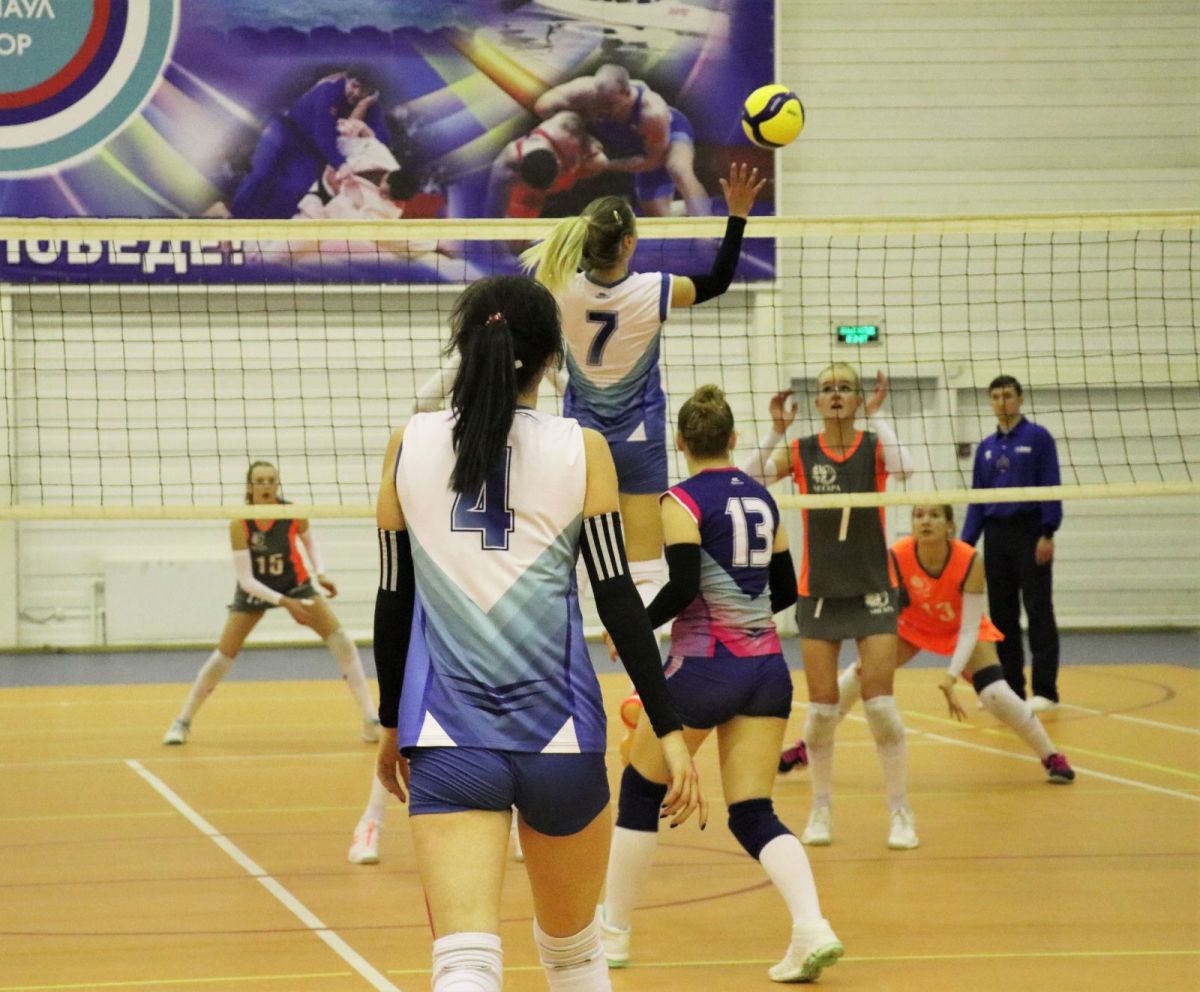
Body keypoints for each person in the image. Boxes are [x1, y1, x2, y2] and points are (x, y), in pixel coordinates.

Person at [371, 276, 704, 992]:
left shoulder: (409, 444)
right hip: (562, 739)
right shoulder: (584, 448)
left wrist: (390, 722)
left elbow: (393, 599)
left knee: (465, 961)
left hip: (448, 737)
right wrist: (669, 728)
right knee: (575, 957)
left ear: (465, 350)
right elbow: (616, 595)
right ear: (554, 358)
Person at [598, 385, 843, 983]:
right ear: (733, 438)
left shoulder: (679, 500)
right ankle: (812, 928)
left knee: (640, 792)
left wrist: (638, 625)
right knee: (753, 810)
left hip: (705, 668)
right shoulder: (763, 499)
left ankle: (613, 935)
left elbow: (683, 586)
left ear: (680, 442)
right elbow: (783, 590)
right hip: (766, 670)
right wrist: (744, 615)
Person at [519, 162, 765, 614]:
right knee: (647, 569)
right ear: (629, 242)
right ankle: (635, 654)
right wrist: (737, 216)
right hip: (639, 440)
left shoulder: (558, 290)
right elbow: (719, 281)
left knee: (572, 567)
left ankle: (557, 649)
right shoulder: (655, 291)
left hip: (582, 443)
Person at [741, 366, 919, 849]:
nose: (835, 394)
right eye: (826, 389)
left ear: (859, 400)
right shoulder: (802, 450)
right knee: (821, 712)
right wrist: (776, 430)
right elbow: (750, 478)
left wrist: (878, 417)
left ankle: (900, 812)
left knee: (881, 707)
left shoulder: (874, 446)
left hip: (873, 587)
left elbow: (906, 469)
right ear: (816, 403)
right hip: (819, 590)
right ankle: (820, 810)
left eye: (845, 388)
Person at [803, 505, 1075, 784]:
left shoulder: (970, 560)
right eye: (918, 516)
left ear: (949, 526)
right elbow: (881, 609)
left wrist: (951, 676)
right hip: (914, 627)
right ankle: (808, 745)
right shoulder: (896, 556)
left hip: (961, 629)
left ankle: (1051, 756)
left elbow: (969, 629)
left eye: (934, 516)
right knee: (862, 673)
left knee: (995, 694)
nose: (926, 521)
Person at [162, 461, 380, 746]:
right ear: (249, 486)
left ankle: (370, 719)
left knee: (341, 641)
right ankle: (183, 721)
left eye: (270, 480)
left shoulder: (291, 512)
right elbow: (246, 580)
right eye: (260, 481)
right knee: (222, 657)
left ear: (277, 484)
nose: (266, 485)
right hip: (256, 589)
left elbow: (310, 544)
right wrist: (285, 603)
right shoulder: (240, 523)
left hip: (294, 583)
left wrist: (321, 574)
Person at [960, 375, 1063, 712]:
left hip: (1030, 532)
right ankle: (1012, 691)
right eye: (995, 397)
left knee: (1038, 610)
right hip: (996, 535)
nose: (1001, 402)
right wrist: (965, 544)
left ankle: (1045, 691)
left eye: (1007, 396)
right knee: (1002, 617)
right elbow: (978, 500)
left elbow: (1051, 485)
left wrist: (1048, 532)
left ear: (1020, 399)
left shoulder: (1038, 438)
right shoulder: (986, 447)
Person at [534, 64, 711, 216]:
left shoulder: (651, 113)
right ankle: (700, 205)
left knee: (677, 168)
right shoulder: (583, 91)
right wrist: (579, 135)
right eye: (599, 102)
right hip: (636, 144)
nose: (604, 111)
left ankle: (707, 231)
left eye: (610, 105)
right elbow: (542, 106)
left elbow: (653, 161)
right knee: (658, 215)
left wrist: (605, 165)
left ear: (626, 93)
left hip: (670, 134)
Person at [230, 69, 388, 219]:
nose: (357, 93)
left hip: (311, 153)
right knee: (261, 175)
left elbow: (382, 140)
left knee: (294, 192)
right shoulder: (330, 90)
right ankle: (234, 218)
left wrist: (363, 113)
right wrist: (340, 164)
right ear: (347, 79)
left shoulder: (370, 107)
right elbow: (323, 134)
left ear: (371, 92)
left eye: (363, 90)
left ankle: (262, 229)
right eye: (354, 86)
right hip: (286, 132)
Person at [484, 111, 609, 219]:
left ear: (557, 160)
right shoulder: (505, 167)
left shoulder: (562, 126)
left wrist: (587, 143)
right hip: (526, 192)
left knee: (600, 162)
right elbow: (494, 213)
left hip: (568, 163)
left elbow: (573, 118)